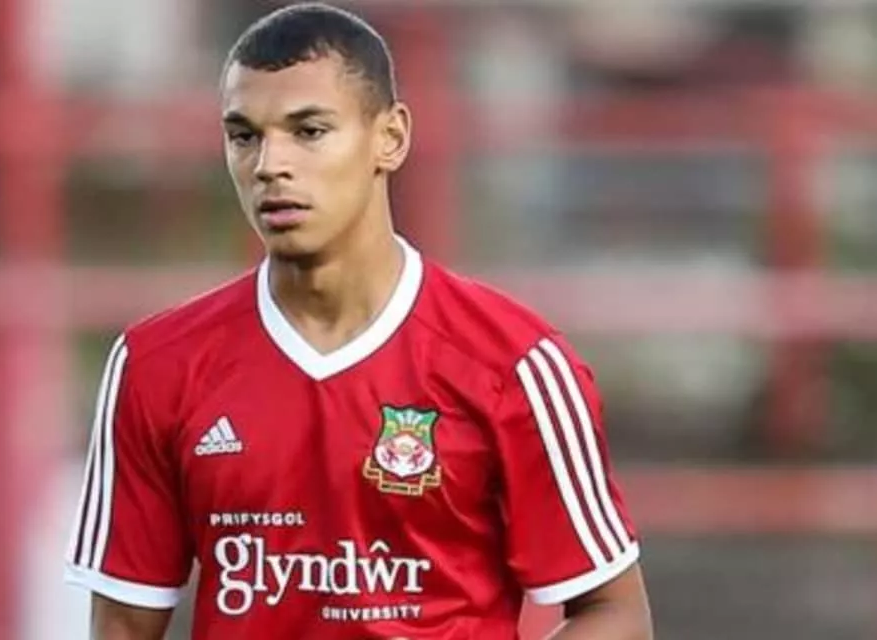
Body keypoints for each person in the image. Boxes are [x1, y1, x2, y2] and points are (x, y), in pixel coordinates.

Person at [64, 3, 653, 638]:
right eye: (244, 136)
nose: (269, 164)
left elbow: (614, 613)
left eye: (309, 131)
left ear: (390, 138)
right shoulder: (157, 366)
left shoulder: (514, 364)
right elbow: (123, 624)